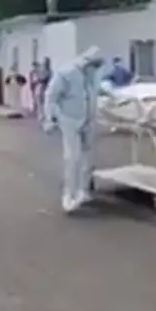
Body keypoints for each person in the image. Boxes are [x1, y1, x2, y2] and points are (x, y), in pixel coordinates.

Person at [43, 46, 105, 213]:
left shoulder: (92, 74)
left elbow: (95, 91)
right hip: (70, 120)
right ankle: (68, 195)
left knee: (88, 159)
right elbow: (51, 97)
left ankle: (83, 191)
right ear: (87, 62)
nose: (96, 69)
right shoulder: (67, 73)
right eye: (95, 65)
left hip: (87, 119)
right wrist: (50, 118)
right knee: (73, 158)